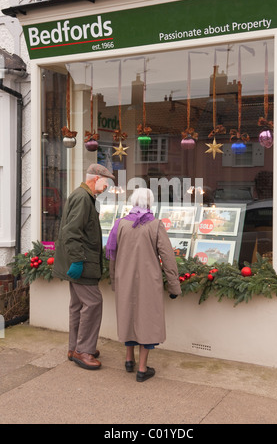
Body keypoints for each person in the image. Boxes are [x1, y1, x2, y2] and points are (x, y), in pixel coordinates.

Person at [106, 188, 182, 382]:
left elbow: (112, 256)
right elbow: (167, 256)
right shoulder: (155, 225)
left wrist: (114, 280)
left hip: (125, 280)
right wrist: (174, 285)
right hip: (149, 281)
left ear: (133, 202)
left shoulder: (120, 224)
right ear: (150, 203)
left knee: (128, 317)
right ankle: (142, 368)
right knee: (147, 321)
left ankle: (129, 359)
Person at [53, 163, 115, 370]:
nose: (108, 186)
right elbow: (71, 233)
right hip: (83, 264)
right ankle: (84, 351)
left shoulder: (83, 196)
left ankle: (75, 348)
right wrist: (78, 261)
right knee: (93, 303)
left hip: (82, 262)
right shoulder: (83, 198)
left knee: (78, 305)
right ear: (96, 178)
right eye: (106, 181)